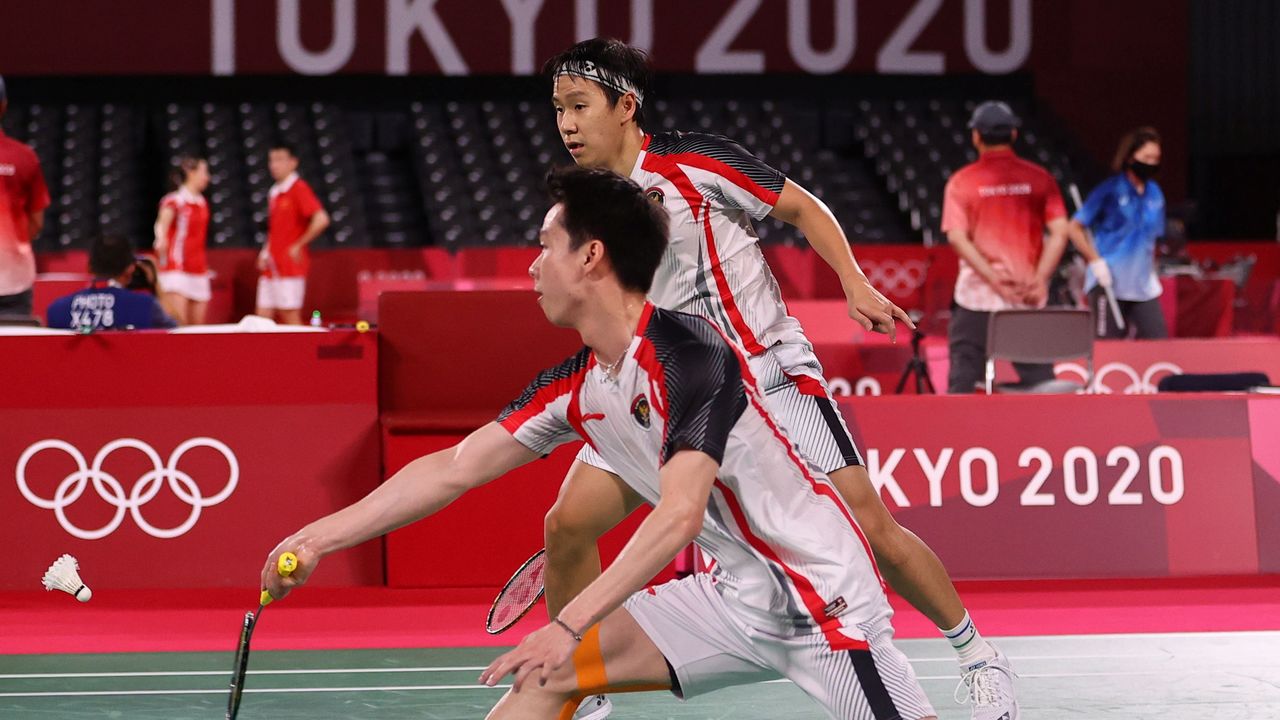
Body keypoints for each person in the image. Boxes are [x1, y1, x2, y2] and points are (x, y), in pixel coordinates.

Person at [260, 166, 937, 720]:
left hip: (825, 604)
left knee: (558, 653)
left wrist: (568, 623)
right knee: (546, 682)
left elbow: (677, 518)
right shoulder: (578, 384)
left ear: (590, 256)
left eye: (544, 248)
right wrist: (315, 538)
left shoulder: (693, 353)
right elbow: (452, 469)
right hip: (729, 599)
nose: (530, 269)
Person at [538, 39, 1016, 719]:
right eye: (559, 109)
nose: (568, 124)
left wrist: (853, 282)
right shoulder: (587, 204)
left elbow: (803, 207)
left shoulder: (694, 163)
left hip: (767, 373)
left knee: (871, 527)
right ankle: (583, 695)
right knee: (567, 524)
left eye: (580, 106)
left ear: (626, 106)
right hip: (676, 392)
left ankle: (977, 655)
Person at [941, 100, 1069, 394]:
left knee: (962, 384)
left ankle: (957, 438)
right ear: (1013, 134)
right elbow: (1060, 232)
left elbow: (957, 238)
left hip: (976, 299)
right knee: (1041, 385)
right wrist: (1040, 279)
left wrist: (993, 278)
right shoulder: (1040, 178)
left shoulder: (962, 182)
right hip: (1026, 298)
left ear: (976, 136)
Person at [1067, 127, 1168, 338]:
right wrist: (1094, 261)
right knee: (1109, 347)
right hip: (1108, 282)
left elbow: (1154, 238)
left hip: (1143, 286)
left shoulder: (1155, 193)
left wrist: (1153, 268)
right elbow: (1074, 227)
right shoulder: (1110, 190)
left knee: (1159, 342)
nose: (1151, 163)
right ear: (1130, 157)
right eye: (1146, 157)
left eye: (1156, 158)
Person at [256, 143, 328, 325]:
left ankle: (301, 353)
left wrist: (298, 245)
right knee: (261, 318)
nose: (274, 165)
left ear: (293, 162)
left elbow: (321, 219)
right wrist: (264, 252)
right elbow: (274, 228)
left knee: (289, 316)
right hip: (271, 265)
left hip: (290, 265)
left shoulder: (298, 188)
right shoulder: (274, 191)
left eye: (280, 160)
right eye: (271, 160)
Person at [47, 235, 176, 331]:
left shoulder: (57, 310)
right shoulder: (146, 306)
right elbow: (178, 333)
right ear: (130, 269)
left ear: (89, 268)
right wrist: (156, 284)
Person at [0, 75, 51, 318]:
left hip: (15, 281)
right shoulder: (25, 156)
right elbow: (36, 222)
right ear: (4, 105)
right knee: (15, 353)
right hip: (14, 280)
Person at [153, 155, 211, 325]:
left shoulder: (202, 202)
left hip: (198, 269)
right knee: (179, 326)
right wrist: (160, 238)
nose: (207, 177)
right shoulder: (174, 200)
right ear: (190, 173)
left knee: (198, 329)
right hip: (176, 270)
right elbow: (161, 224)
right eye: (204, 172)